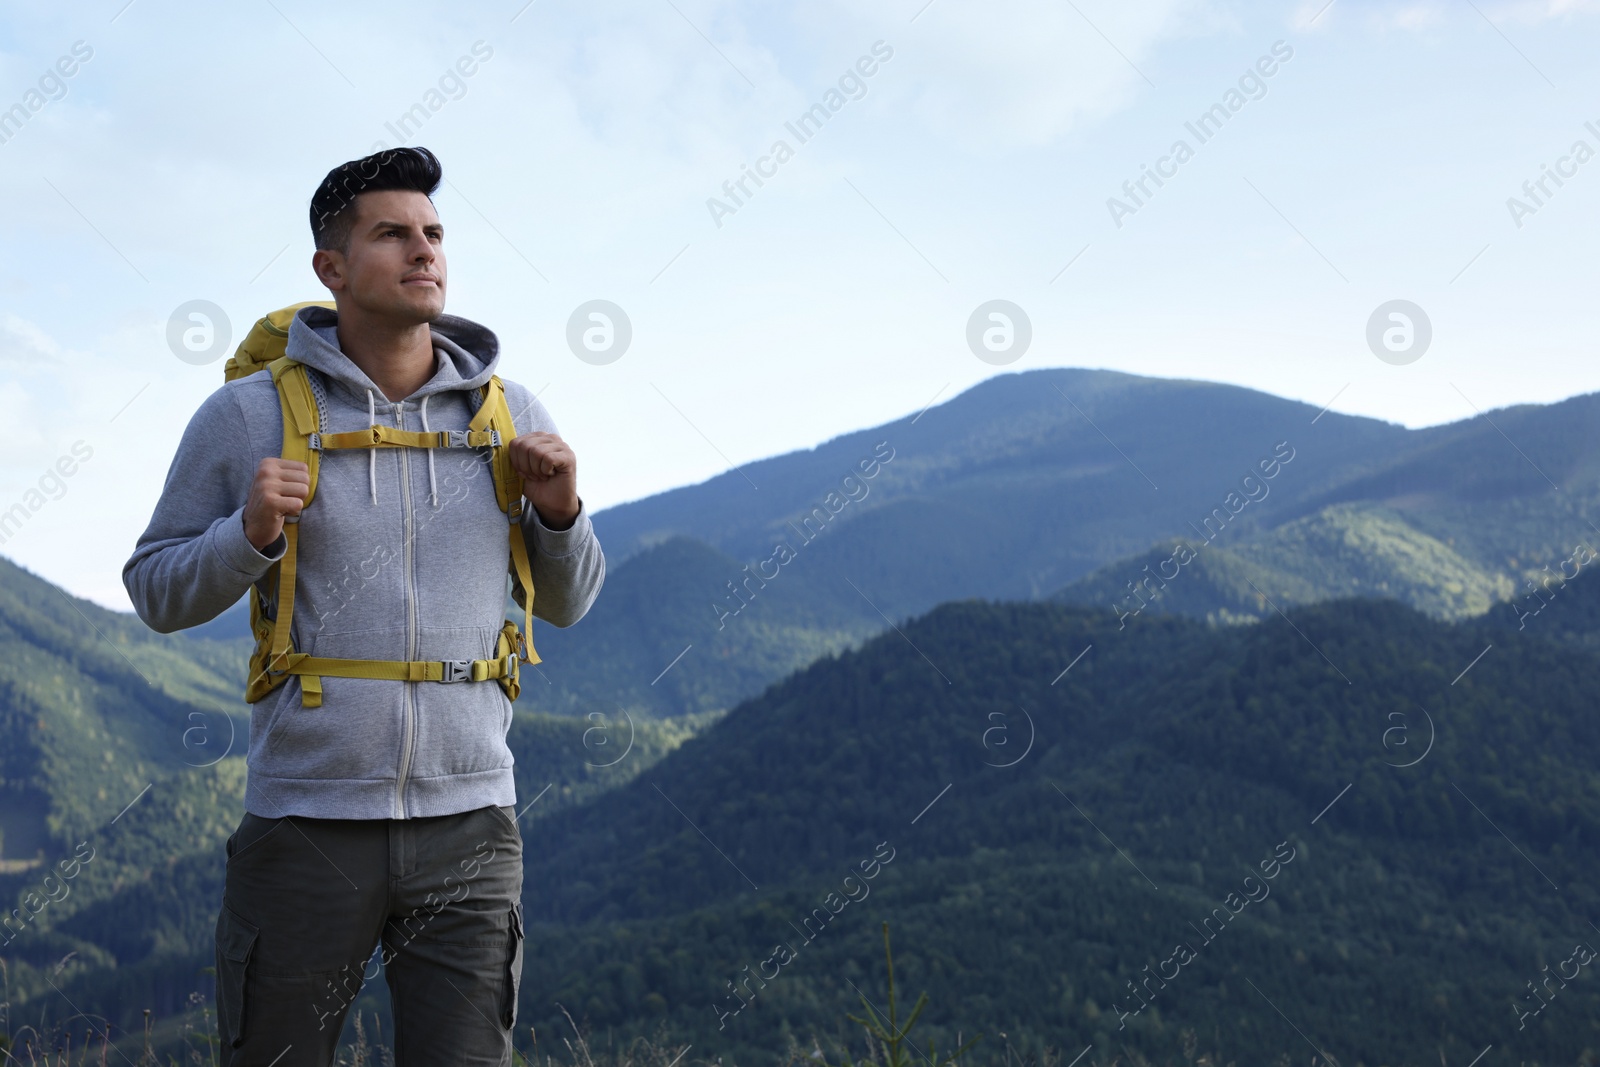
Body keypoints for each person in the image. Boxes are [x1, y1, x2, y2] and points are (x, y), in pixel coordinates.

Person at [122, 146, 605, 1064]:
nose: (425, 251)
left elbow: (573, 602)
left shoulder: (508, 413)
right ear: (331, 269)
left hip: (473, 826)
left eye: (433, 234)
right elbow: (154, 588)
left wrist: (560, 514)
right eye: (393, 234)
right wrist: (247, 534)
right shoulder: (244, 415)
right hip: (307, 821)